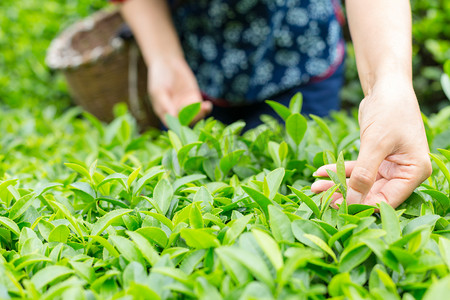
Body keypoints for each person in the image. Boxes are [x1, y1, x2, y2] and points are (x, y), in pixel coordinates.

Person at [114, 0, 432, 208]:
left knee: (300, 181)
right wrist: (163, 56)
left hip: (298, 53)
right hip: (197, 64)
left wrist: (390, 84)